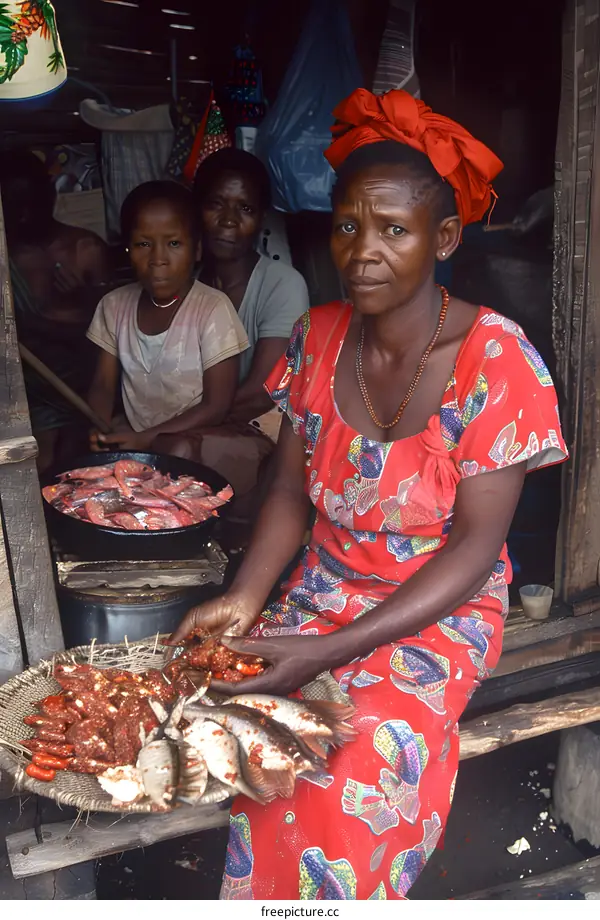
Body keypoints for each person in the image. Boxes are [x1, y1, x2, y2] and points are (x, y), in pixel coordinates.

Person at [170, 88, 568, 901]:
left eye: (394, 228)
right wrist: (246, 599)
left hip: (438, 611)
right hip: (320, 590)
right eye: (349, 225)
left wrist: (328, 653)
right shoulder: (317, 338)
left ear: (444, 238)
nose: (363, 250)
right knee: (244, 728)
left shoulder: (497, 360)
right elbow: (288, 490)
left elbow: (475, 547)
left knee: (351, 752)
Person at [87, 181, 248, 453]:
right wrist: (97, 425)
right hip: (137, 437)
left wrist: (146, 439)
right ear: (127, 249)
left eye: (174, 243)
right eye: (143, 244)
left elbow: (217, 407)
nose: (158, 258)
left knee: (178, 450)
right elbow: (103, 385)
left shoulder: (212, 309)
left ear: (196, 250)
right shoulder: (113, 306)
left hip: (198, 441)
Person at [186, 147, 310, 501]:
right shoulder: (188, 285)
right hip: (202, 423)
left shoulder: (282, 284)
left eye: (245, 209)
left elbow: (262, 392)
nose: (229, 220)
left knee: (173, 450)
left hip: (264, 430)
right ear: (196, 209)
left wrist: (161, 426)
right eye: (216, 204)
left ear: (261, 219)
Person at [0, 150, 110, 470]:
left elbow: (115, 334)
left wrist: (84, 299)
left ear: (50, 194)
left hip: (80, 385)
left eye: (30, 203)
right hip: (21, 388)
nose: (22, 216)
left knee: (67, 458)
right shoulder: (5, 256)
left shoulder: (85, 250)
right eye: (11, 205)